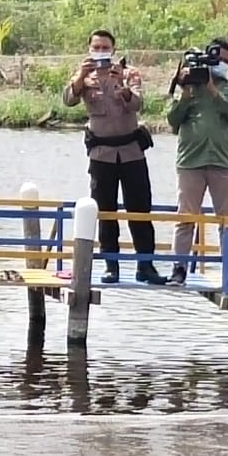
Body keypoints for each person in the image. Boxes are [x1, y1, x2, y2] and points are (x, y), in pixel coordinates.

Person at [62, 29, 165, 286]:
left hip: (131, 151)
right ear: (89, 49)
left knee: (139, 209)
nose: (100, 51)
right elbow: (68, 100)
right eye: (96, 47)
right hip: (101, 154)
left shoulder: (129, 74)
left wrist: (123, 88)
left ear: (114, 49)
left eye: (105, 47)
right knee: (105, 211)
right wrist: (79, 77)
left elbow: (138, 104)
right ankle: (111, 265)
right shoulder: (84, 76)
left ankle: (145, 264)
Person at [166, 37, 228, 287]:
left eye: (225, 59)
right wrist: (186, 92)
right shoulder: (189, 87)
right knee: (186, 217)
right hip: (191, 161)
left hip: (224, 162)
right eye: (216, 58)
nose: (220, 63)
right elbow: (172, 120)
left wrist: (214, 92)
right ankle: (179, 267)